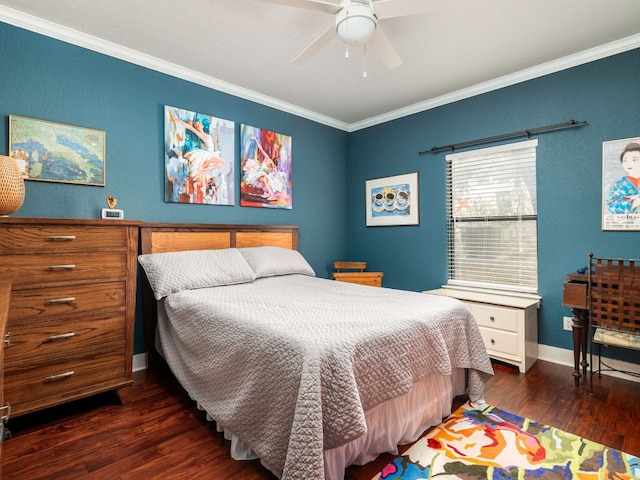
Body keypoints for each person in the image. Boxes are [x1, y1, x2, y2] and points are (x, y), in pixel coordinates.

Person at [606, 142, 640, 214]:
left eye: (634, 160)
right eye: (625, 160)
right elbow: (611, 204)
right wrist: (634, 203)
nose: (629, 163)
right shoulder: (618, 184)